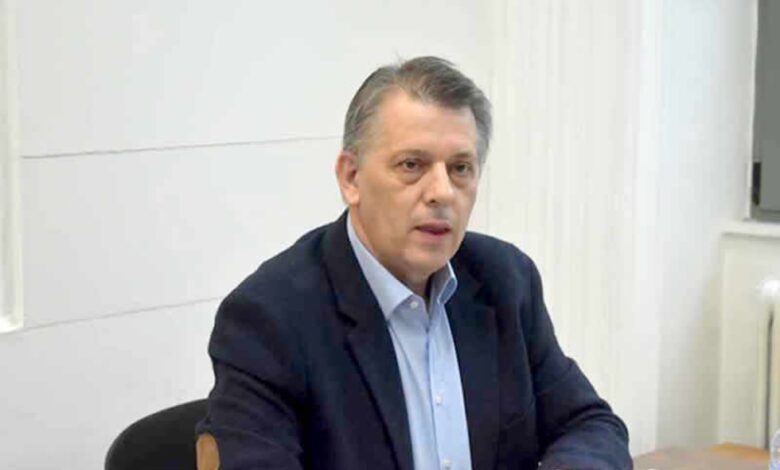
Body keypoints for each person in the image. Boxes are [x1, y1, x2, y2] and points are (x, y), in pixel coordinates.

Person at [196, 56, 631, 470]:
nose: (442, 191)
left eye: (460, 168)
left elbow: (591, 426)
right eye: (412, 165)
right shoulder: (270, 319)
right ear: (351, 178)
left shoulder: (505, 280)